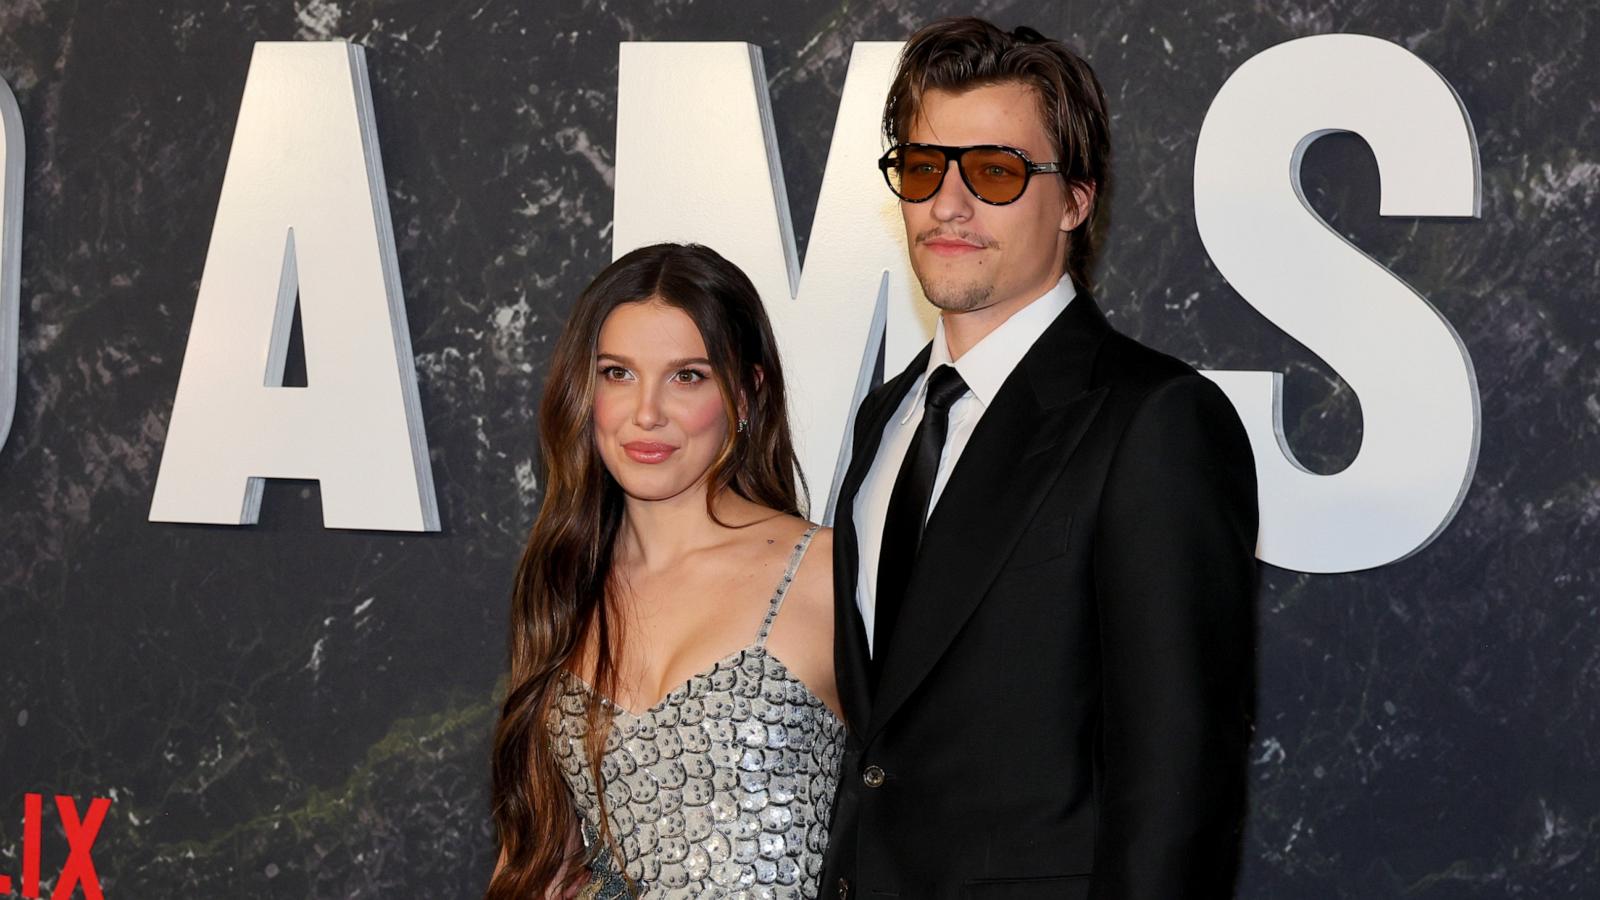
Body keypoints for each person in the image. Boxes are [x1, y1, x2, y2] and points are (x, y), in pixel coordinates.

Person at [821, 18, 1259, 900]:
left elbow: (1179, 784)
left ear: (1075, 200)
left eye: (994, 171)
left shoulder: (1157, 421)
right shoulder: (885, 420)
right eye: (921, 168)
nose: (949, 204)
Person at [486, 243, 845, 899]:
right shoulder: (564, 585)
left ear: (745, 394)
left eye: (688, 376)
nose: (646, 413)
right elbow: (540, 862)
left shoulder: (827, 573)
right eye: (618, 373)